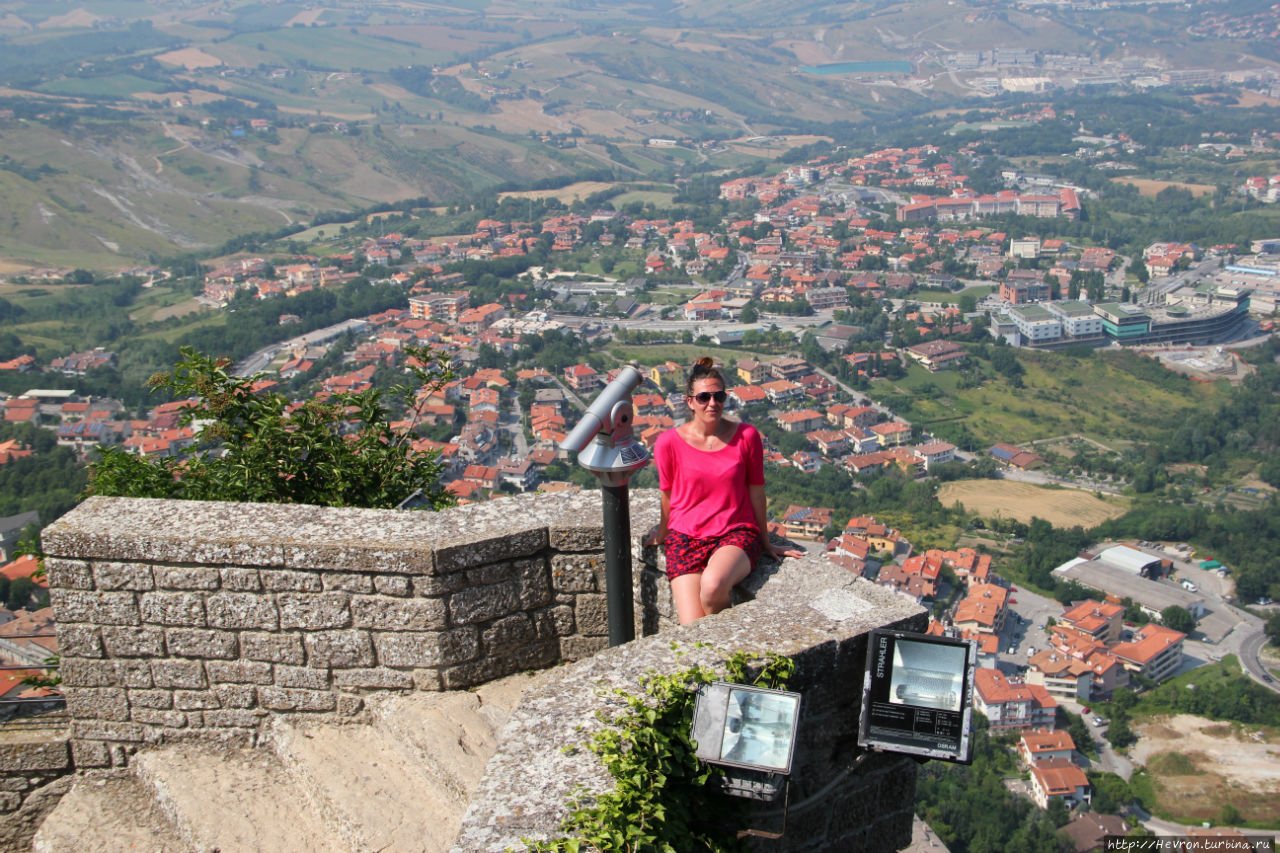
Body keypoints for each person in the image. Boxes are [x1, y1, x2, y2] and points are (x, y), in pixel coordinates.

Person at [648, 357, 802, 624]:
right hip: (685, 536)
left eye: (718, 396)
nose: (712, 403)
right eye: (704, 397)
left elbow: (756, 492)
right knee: (691, 628)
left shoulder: (747, 437)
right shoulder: (667, 443)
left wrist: (766, 542)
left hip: (735, 532)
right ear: (689, 402)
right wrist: (662, 533)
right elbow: (668, 495)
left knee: (713, 586)